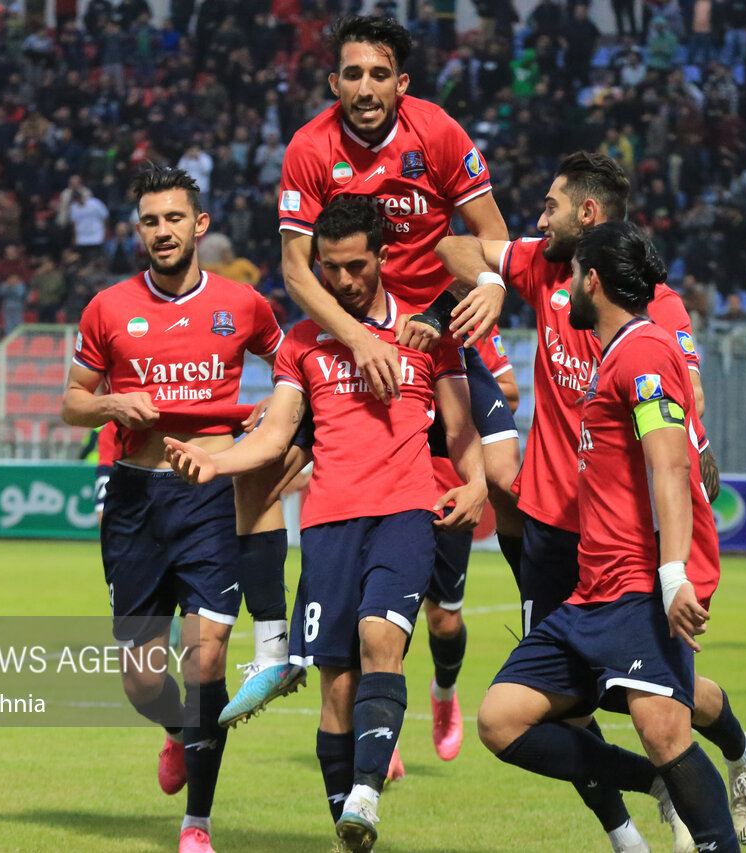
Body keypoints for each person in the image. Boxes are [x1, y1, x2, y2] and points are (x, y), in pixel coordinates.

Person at [437, 153, 746, 851]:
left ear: (588, 216)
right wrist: (494, 279)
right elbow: (453, 244)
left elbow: (682, 416)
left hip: (636, 551)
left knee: (664, 713)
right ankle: (634, 826)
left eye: (551, 205)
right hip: (564, 540)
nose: (537, 218)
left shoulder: (651, 320)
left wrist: (676, 557)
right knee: (565, 711)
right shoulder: (541, 267)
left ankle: (732, 751)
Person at [221, 12, 524, 730]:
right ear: (334, 81)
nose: (365, 87)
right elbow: (297, 270)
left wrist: (488, 291)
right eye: (352, 73)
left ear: (402, 82)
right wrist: (360, 340)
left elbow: (497, 239)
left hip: (435, 344)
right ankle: (272, 647)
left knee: (505, 482)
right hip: (346, 347)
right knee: (259, 470)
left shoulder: (440, 134)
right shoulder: (309, 148)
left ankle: (535, 626)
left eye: (378, 73)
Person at [164, 196, 487, 853]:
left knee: (380, 640)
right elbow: (278, 434)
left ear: (384, 257)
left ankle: (367, 790)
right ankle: (349, 821)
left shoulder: (425, 334)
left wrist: (478, 480)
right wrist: (213, 460)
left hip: (404, 511)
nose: (343, 281)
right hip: (328, 523)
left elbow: (459, 429)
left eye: (357, 266)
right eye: (330, 268)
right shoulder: (305, 343)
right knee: (336, 687)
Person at [60, 167, 288, 853]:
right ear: (139, 230)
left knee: (206, 657)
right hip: (135, 499)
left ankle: (197, 823)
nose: (162, 230)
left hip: (210, 498)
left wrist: (272, 422)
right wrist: (108, 403)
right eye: (150, 221)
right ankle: (176, 733)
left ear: (200, 225)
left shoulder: (243, 305)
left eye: (172, 218)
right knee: (141, 677)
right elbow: (72, 400)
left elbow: (290, 368)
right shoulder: (106, 308)